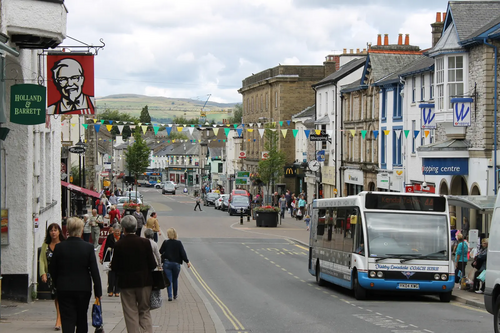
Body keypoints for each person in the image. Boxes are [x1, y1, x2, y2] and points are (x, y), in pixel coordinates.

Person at [50, 217, 102, 333]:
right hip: (83, 288)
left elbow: (52, 268)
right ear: (81, 230)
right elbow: (94, 271)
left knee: (67, 318)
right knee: (82, 317)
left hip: (64, 287)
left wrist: (57, 282)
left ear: (67, 229)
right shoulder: (88, 248)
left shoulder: (60, 247)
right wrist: (98, 292)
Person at [110, 215, 157, 333]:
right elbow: (152, 264)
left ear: (123, 229)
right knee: (145, 311)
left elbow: (115, 267)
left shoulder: (119, 245)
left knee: (130, 313)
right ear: (136, 228)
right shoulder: (145, 243)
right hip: (144, 283)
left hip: (126, 284)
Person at [39, 223, 65, 330]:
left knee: (62, 297)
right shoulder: (46, 245)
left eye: (55, 230)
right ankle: (59, 318)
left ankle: (61, 318)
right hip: (51, 276)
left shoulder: (63, 244)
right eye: (51, 230)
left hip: (63, 275)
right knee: (56, 297)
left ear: (59, 231)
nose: (53, 232)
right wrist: (43, 273)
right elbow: (41, 260)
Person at [159, 228, 191, 302]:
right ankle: (175, 294)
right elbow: (183, 253)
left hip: (167, 263)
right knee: (175, 279)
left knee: (169, 280)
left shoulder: (166, 242)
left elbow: (160, 251)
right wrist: (187, 262)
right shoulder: (178, 243)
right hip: (176, 264)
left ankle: (169, 296)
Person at [101, 223, 123, 297]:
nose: (117, 232)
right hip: (111, 258)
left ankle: (117, 290)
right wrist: (103, 258)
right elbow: (106, 248)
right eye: (115, 231)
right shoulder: (110, 237)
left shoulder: (122, 237)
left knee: (118, 275)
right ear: (113, 231)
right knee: (111, 274)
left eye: (118, 231)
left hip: (120, 258)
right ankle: (110, 290)